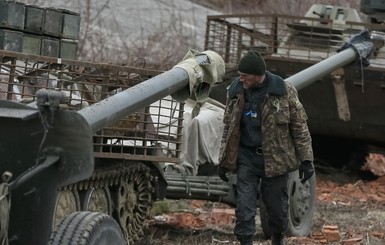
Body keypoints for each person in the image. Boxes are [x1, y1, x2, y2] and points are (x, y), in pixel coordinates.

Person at [217, 50, 314, 245]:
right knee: (244, 207)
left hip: (276, 159)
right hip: (247, 157)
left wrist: (306, 160)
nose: (241, 78)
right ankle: (245, 241)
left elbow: (299, 127)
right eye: (240, 75)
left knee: (276, 209)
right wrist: (224, 160)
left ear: (258, 74)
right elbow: (229, 127)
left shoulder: (284, 91)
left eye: (245, 75)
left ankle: (278, 238)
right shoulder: (236, 91)